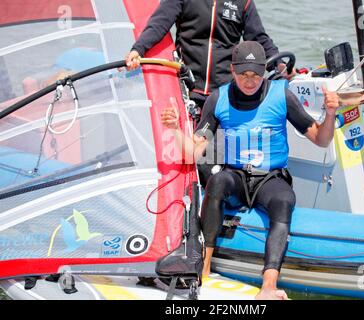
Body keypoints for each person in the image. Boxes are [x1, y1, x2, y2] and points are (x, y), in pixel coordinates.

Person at [161, 41, 340, 300]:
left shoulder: (281, 94)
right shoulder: (218, 98)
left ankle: (268, 285)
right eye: (243, 74)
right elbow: (193, 153)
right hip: (235, 177)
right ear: (233, 71)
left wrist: (331, 113)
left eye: (255, 74)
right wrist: (174, 130)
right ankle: (205, 269)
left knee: (284, 199)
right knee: (218, 181)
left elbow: (321, 139)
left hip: (270, 178)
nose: (249, 80)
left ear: (263, 72)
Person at [125, 0, 295, 108]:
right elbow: (159, 24)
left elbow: (258, 38)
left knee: (215, 158)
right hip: (187, 87)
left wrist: (280, 64)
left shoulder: (244, 2)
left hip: (224, 92)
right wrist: (138, 49)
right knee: (191, 153)